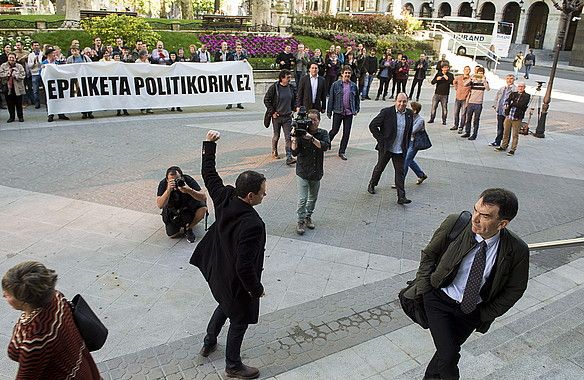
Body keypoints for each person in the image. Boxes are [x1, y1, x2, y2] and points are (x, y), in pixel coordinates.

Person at [411, 188, 528, 380]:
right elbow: (429, 255)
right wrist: (425, 289)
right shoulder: (455, 223)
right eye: (475, 210)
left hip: (470, 311)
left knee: (443, 357)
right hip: (439, 300)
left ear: (502, 223)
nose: (475, 218)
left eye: (485, 216)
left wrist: (484, 314)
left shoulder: (516, 250)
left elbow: (515, 289)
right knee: (448, 354)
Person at [191, 130, 267, 380]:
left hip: (217, 270)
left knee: (225, 304)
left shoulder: (224, 196)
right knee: (238, 319)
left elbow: (208, 173)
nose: (264, 195)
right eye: (262, 192)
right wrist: (256, 289)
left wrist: (208, 145)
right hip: (236, 281)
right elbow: (245, 266)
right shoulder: (253, 224)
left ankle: (209, 340)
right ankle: (233, 365)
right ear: (249, 196)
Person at [3, 261, 101, 379]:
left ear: (25, 300)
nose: (4, 296)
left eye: (8, 295)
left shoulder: (36, 339)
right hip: (81, 367)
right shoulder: (57, 298)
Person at [367, 93, 413, 204]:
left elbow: (409, 129)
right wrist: (381, 139)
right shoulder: (387, 112)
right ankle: (372, 184)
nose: (402, 104)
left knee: (400, 172)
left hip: (400, 149)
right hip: (386, 148)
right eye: (400, 101)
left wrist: (407, 143)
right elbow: (372, 125)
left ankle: (401, 197)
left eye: (404, 101)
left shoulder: (410, 114)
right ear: (395, 101)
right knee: (380, 167)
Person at [291, 109, 331, 235]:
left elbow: (325, 146)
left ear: (319, 120)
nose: (313, 122)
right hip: (303, 171)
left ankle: (308, 216)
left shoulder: (323, 133)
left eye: (315, 119)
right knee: (303, 198)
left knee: (313, 198)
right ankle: (300, 220)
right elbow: (294, 152)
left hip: (316, 171)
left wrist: (311, 138)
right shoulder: (301, 133)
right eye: (310, 119)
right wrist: (294, 138)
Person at [157, 166, 208, 243]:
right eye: (172, 181)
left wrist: (189, 190)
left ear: (182, 177)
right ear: (167, 180)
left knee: (203, 208)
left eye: (177, 179)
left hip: (188, 207)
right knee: (172, 235)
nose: (175, 182)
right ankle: (181, 224)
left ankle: (188, 228)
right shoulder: (163, 184)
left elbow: (203, 197)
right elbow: (160, 205)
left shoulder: (187, 180)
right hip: (173, 211)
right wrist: (168, 191)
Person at [263, 69, 297, 164]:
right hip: (277, 117)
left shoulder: (291, 87)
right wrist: (272, 112)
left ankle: (289, 156)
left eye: (290, 77)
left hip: (287, 117)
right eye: (288, 77)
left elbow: (295, 98)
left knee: (288, 137)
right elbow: (266, 100)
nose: (290, 79)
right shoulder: (275, 87)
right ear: (282, 78)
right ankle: (274, 151)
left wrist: (295, 108)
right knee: (276, 136)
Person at [327, 65, 360, 161]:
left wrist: (357, 108)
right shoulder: (335, 85)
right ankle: (326, 143)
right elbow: (331, 99)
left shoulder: (353, 86)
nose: (347, 75)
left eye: (349, 73)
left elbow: (357, 98)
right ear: (342, 74)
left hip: (349, 113)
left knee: (346, 133)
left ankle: (342, 151)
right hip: (338, 111)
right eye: (346, 73)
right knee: (334, 130)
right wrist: (329, 112)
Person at [495, 82, 531, 156]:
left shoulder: (526, 96)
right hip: (509, 116)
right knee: (506, 132)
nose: (520, 88)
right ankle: (504, 146)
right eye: (519, 86)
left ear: (524, 87)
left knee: (515, 134)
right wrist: (508, 104)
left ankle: (512, 149)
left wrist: (512, 103)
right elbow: (507, 100)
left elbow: (522, 105)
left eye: (522, 87)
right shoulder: (513, 93)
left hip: (517, 117)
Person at [461, 66, 490, 140]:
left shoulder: (484, 81)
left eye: (481, 73)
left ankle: (474, 134)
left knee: (476, 120)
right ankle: (467, 132)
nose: (480, 75)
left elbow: (488, 89)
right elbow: (464, 84)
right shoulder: (473, 80)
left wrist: (483, 80)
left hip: (478, 103)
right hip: (470, 102)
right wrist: (471, 78)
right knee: (468, 119)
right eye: (479, 73)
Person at [404, 101, 428, 185]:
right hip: (408, 142)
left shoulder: (420, 120)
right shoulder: (409, 116)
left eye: (410, 107)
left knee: (406, 161)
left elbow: (412, 130)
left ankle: (400, 182)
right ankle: (421, 175)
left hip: (414, 143)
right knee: (410, 160)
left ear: (414, 110)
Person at [490, 74, 516, 147]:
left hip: (508, 112)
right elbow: (497, 97)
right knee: (499, 127)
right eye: (508, 78)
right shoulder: (502, 88)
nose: (509, 80)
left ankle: (505, 143)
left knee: (507, 129)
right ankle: (497, 141)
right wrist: (495, 105)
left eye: (511, 78)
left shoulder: (515, 89)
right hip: (500, 110)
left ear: (514, 80)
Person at [0, 53, 26, 123]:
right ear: (8, 58)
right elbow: (1, 74)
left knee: (19, 103)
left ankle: (20, 117)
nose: (11, 59)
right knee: (9, 103)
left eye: (13, 58)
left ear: (15, 58)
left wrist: (16, 75)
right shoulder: (3, 65)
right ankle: (12, 117)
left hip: (18, 87)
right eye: (10, 57)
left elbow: (23, 75)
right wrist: (7, 74)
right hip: (8, 88)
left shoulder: (19, 66)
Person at [451, 66, 472, 133]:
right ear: (463, 70)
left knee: (463, 114)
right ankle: (455, 125)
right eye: (465, 69)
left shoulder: (471, 79)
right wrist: (456, 88)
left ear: (470, 71)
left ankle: (461, 127)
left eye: (468, 70)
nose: (467, 71)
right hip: (458, 97)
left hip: (465, 98)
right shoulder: (459, 77)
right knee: (456, 112)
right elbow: (454, 81)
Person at [226, 44, 247, 110]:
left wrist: (245, 61)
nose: (239, 49)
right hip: (232, 75)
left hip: (240, 75)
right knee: (231, 89)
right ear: (235, 49)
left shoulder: (244, 56)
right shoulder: (231, 56)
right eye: (238, 48)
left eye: (240, 48)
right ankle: (230, 103)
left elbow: (246, 64)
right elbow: (228, 63)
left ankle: (239, 103)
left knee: (239, 89)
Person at [27, 41, 42, 109]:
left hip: (42, 72)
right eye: (35, 45)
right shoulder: (30, 55)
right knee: (35, 90)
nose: (36, 46)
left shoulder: (42, 54)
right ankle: (37, 103)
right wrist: (34, 62)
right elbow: (29, 66)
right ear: (32, 47)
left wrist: (39, 62)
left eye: (37, 45)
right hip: (34, 73)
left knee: (45, 88)